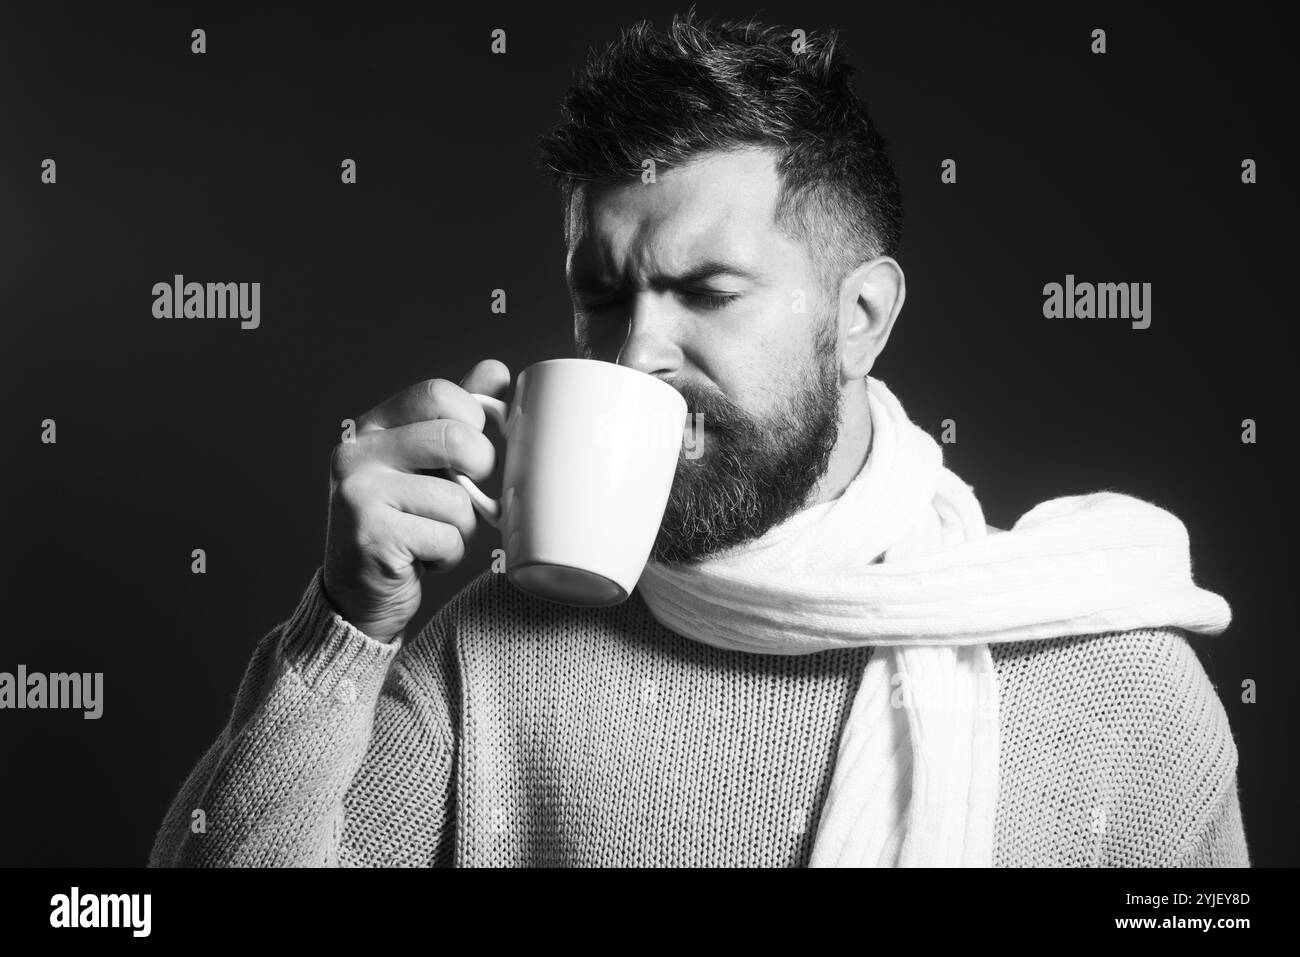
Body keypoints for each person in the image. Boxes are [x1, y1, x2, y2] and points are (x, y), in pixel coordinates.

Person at [149, 11, 1248, 868]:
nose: (636, 357)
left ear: (859, 318)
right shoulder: (487, 655)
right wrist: (347, 625)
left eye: (706, 292)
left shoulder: (1116, 688)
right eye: (601, 297)